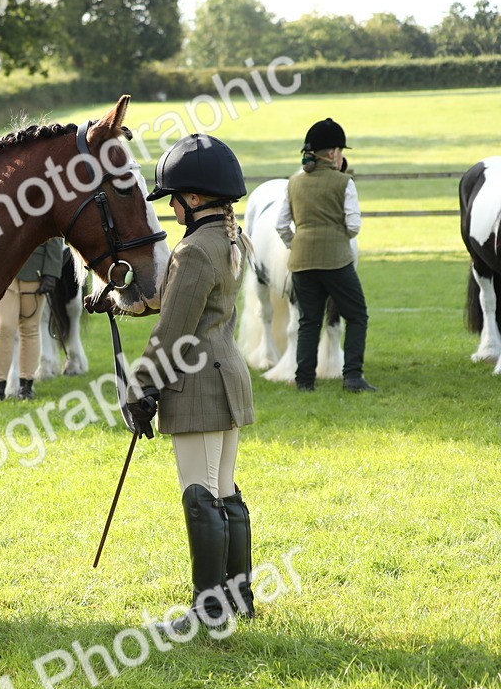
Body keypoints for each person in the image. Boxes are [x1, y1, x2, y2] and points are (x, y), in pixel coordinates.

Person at [128, 133, 256, 633]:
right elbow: (175, 303)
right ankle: (237, 595)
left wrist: (142, 387)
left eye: (175, 198)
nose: (172, 207)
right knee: (224, 489)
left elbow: (172, 332)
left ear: (196, 198)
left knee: (199, 493)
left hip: (198, 382)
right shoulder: (230, 238)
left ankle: (209, 610)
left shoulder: (195, 251)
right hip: (229, 373)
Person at [275, 118, 376, 393]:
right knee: (356, 315)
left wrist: (296, 243)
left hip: (301, 261)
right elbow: (354, 225)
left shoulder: (293, 183)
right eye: (341, 150)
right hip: (336, 262)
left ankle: (305, 381)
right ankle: (353, 376)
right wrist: (336, 237)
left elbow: (280, 224)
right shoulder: (345, 182)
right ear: (332, 153)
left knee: (309, 320)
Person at [0, 239, 62, 403]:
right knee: (4, 327)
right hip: (4, 270)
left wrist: (51, 272)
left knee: (30, 329)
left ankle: (26, 388)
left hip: (35, 269)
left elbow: (55, 235)